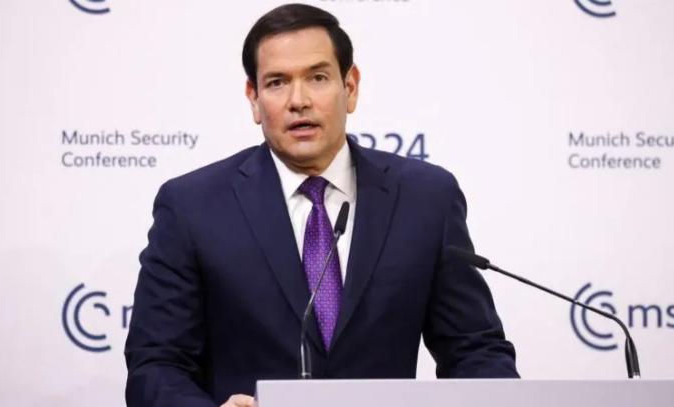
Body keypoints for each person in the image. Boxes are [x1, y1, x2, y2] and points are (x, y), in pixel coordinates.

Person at [124, 4, 518, 407]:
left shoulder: (425, 199)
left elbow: (475, 351)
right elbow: (156, 366)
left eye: (317, 77)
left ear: (350, 87)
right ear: (254, 99)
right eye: (277, 82)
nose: (299, 100)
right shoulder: (193, 207)